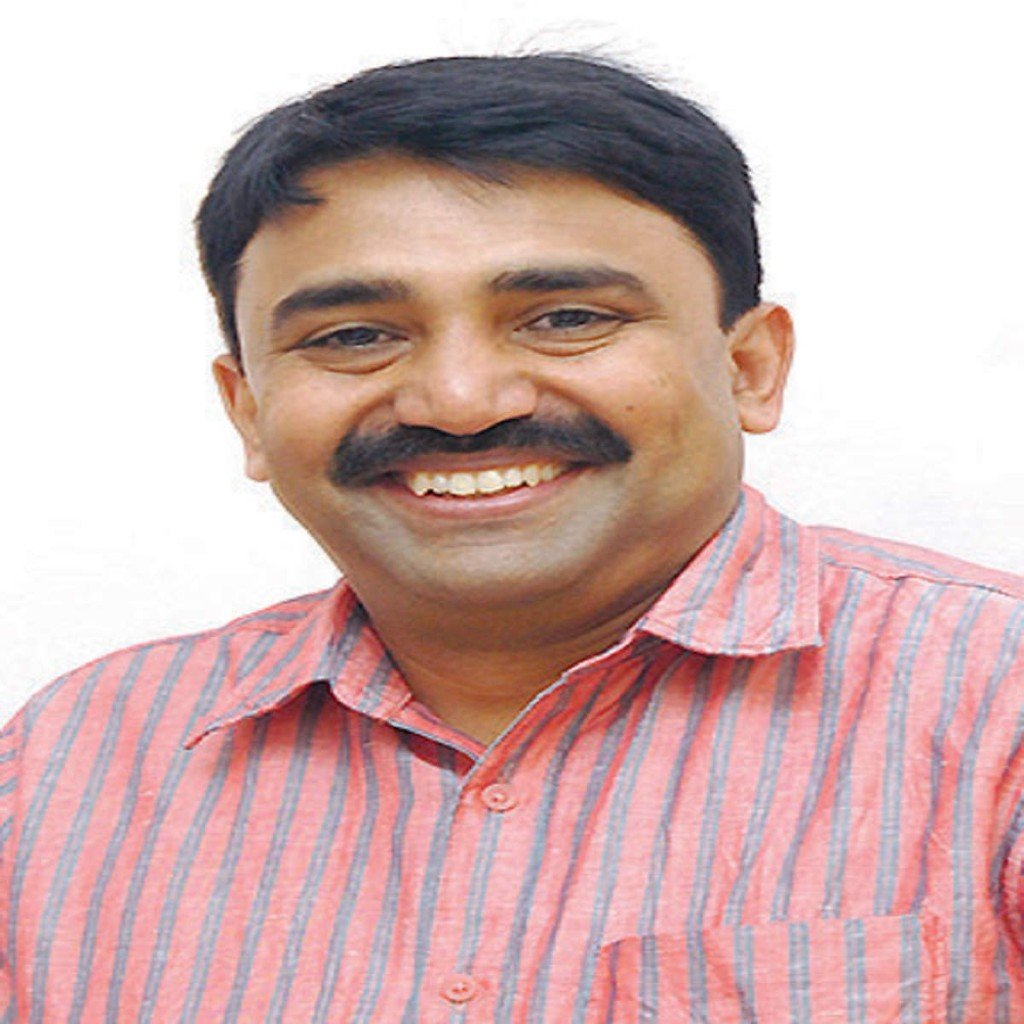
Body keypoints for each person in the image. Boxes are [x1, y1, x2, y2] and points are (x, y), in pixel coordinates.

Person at [1, 53, 1021, 1022]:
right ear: (249, 411)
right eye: (354, 336)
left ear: (750, 368)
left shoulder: (996, 708)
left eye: (566, 317)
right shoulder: (64, 771)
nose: (460, 401)